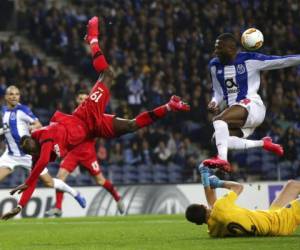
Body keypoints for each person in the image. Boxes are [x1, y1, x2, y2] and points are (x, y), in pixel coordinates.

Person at [1, 16, 190, 220]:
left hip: (86, 115)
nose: (33, 152)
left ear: (34, 141)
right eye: (31, 152)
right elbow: (38, 168)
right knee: (132, 126)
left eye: (32, 148)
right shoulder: (38, 154)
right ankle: (169, 106)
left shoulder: (43, 137)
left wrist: (28, 181)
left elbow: (40, 165)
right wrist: (20, 205)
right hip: (91, 130)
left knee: (108, 74)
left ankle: (92, 38)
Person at [203, 33, 300, 171]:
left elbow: (282, 61)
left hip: (253, 106)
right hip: (238, 115)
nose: (215, 51)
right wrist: (214, 102)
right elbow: (218, 92)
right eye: (215, 48)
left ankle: (222, 160)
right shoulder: (214, 65)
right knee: (219, 139)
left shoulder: (249, 60)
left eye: (219, 48)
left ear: (231, 49)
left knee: (219, 120)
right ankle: (263, 143)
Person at [0, 86, 86, 216]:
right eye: (11, 94)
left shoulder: (23, 110)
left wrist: (30, 129)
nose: (14, 97)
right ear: (6, 97)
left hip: (27, 155)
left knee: (48, 182)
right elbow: (7, 129)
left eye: (17, 94)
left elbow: (38, 124)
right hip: (10, 155)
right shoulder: (4, 111)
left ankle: (75, 193)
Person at [46, 90, 124, 217]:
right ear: (77, 100)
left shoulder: (94, 114)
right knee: (60, 177)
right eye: (80, 98)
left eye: (85, 98)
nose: (83, 100)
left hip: (88, 153)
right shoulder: (74, 115)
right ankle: (58, 208)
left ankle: (117, 198)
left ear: (89, 100)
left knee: (100, 180)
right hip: (74, 152)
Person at [185, 163, 300, 237]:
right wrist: (218, 183)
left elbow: (211, 204)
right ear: (202, 206)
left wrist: (205, 175)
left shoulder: (213, 231)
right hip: (278, 221)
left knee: (292, 185)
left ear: (198, 223)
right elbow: (238, 187)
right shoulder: (219, 207)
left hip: (270, 217)